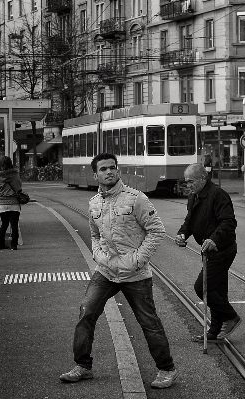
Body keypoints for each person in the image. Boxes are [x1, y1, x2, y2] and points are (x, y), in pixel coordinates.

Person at [60, 153, 178, 389]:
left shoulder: (137, 199)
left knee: (149, 322)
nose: (109, 172)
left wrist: (137, 260)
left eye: (112, 168)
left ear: (118, 171)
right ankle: (83, 367)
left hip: (135, 274)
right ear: (95, 174)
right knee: (86, 314)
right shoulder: (94, 203)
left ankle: (166, 370)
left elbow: (156, 231)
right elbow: (94, 234)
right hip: (106, 271)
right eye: (103, 169)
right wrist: (98, 255)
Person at [175, 163, 241, 342]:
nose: (188, 185)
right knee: (217, 290)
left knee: (202, 287)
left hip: (221, 249)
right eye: (186, 182)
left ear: (202, 179)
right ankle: (214, 330)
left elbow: (228, 222)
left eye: (191, 182)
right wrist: (182, 234)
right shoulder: (194, 196)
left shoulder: (217, 194)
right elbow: (190, 220)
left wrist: (214, 239)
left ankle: (231, 316)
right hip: (208, 249)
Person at [0, 156, 22, 250]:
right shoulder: (15, 174)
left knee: (4, 224)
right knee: (14, 224)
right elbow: (19, 187)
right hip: (14, 202)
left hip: (2, 203)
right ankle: (14, 245)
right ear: (11, 163)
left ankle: (0, 243)